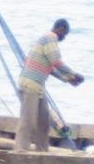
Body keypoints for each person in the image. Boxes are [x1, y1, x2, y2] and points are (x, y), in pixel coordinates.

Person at [16, 18, 83, 151]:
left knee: (44, 121)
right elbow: (56, 61)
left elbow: (51, 68)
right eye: (65, 34)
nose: (63, 38)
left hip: (38, 86)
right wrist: (74, 74)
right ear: (61, 30)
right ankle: (20, 151)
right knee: (28, 121)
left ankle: (42, 151)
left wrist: (68, 79)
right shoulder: (50, 38)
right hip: (31, 84)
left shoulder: (46, 42)